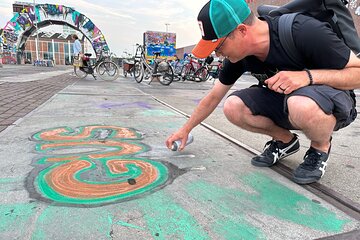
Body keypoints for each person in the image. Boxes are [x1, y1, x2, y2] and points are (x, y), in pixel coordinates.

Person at [166, 0, 360, 184]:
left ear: (242, 30)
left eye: (218, 47)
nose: (217, 55)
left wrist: (307, 77)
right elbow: (213, 97)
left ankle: (320, 148)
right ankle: (285, 141)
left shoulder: (303, 30)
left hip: (330, 103)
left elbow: (357, 73)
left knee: (300, 104)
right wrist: (185, 130)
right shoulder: (239, 56)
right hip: (287, 103)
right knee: (233, 106)